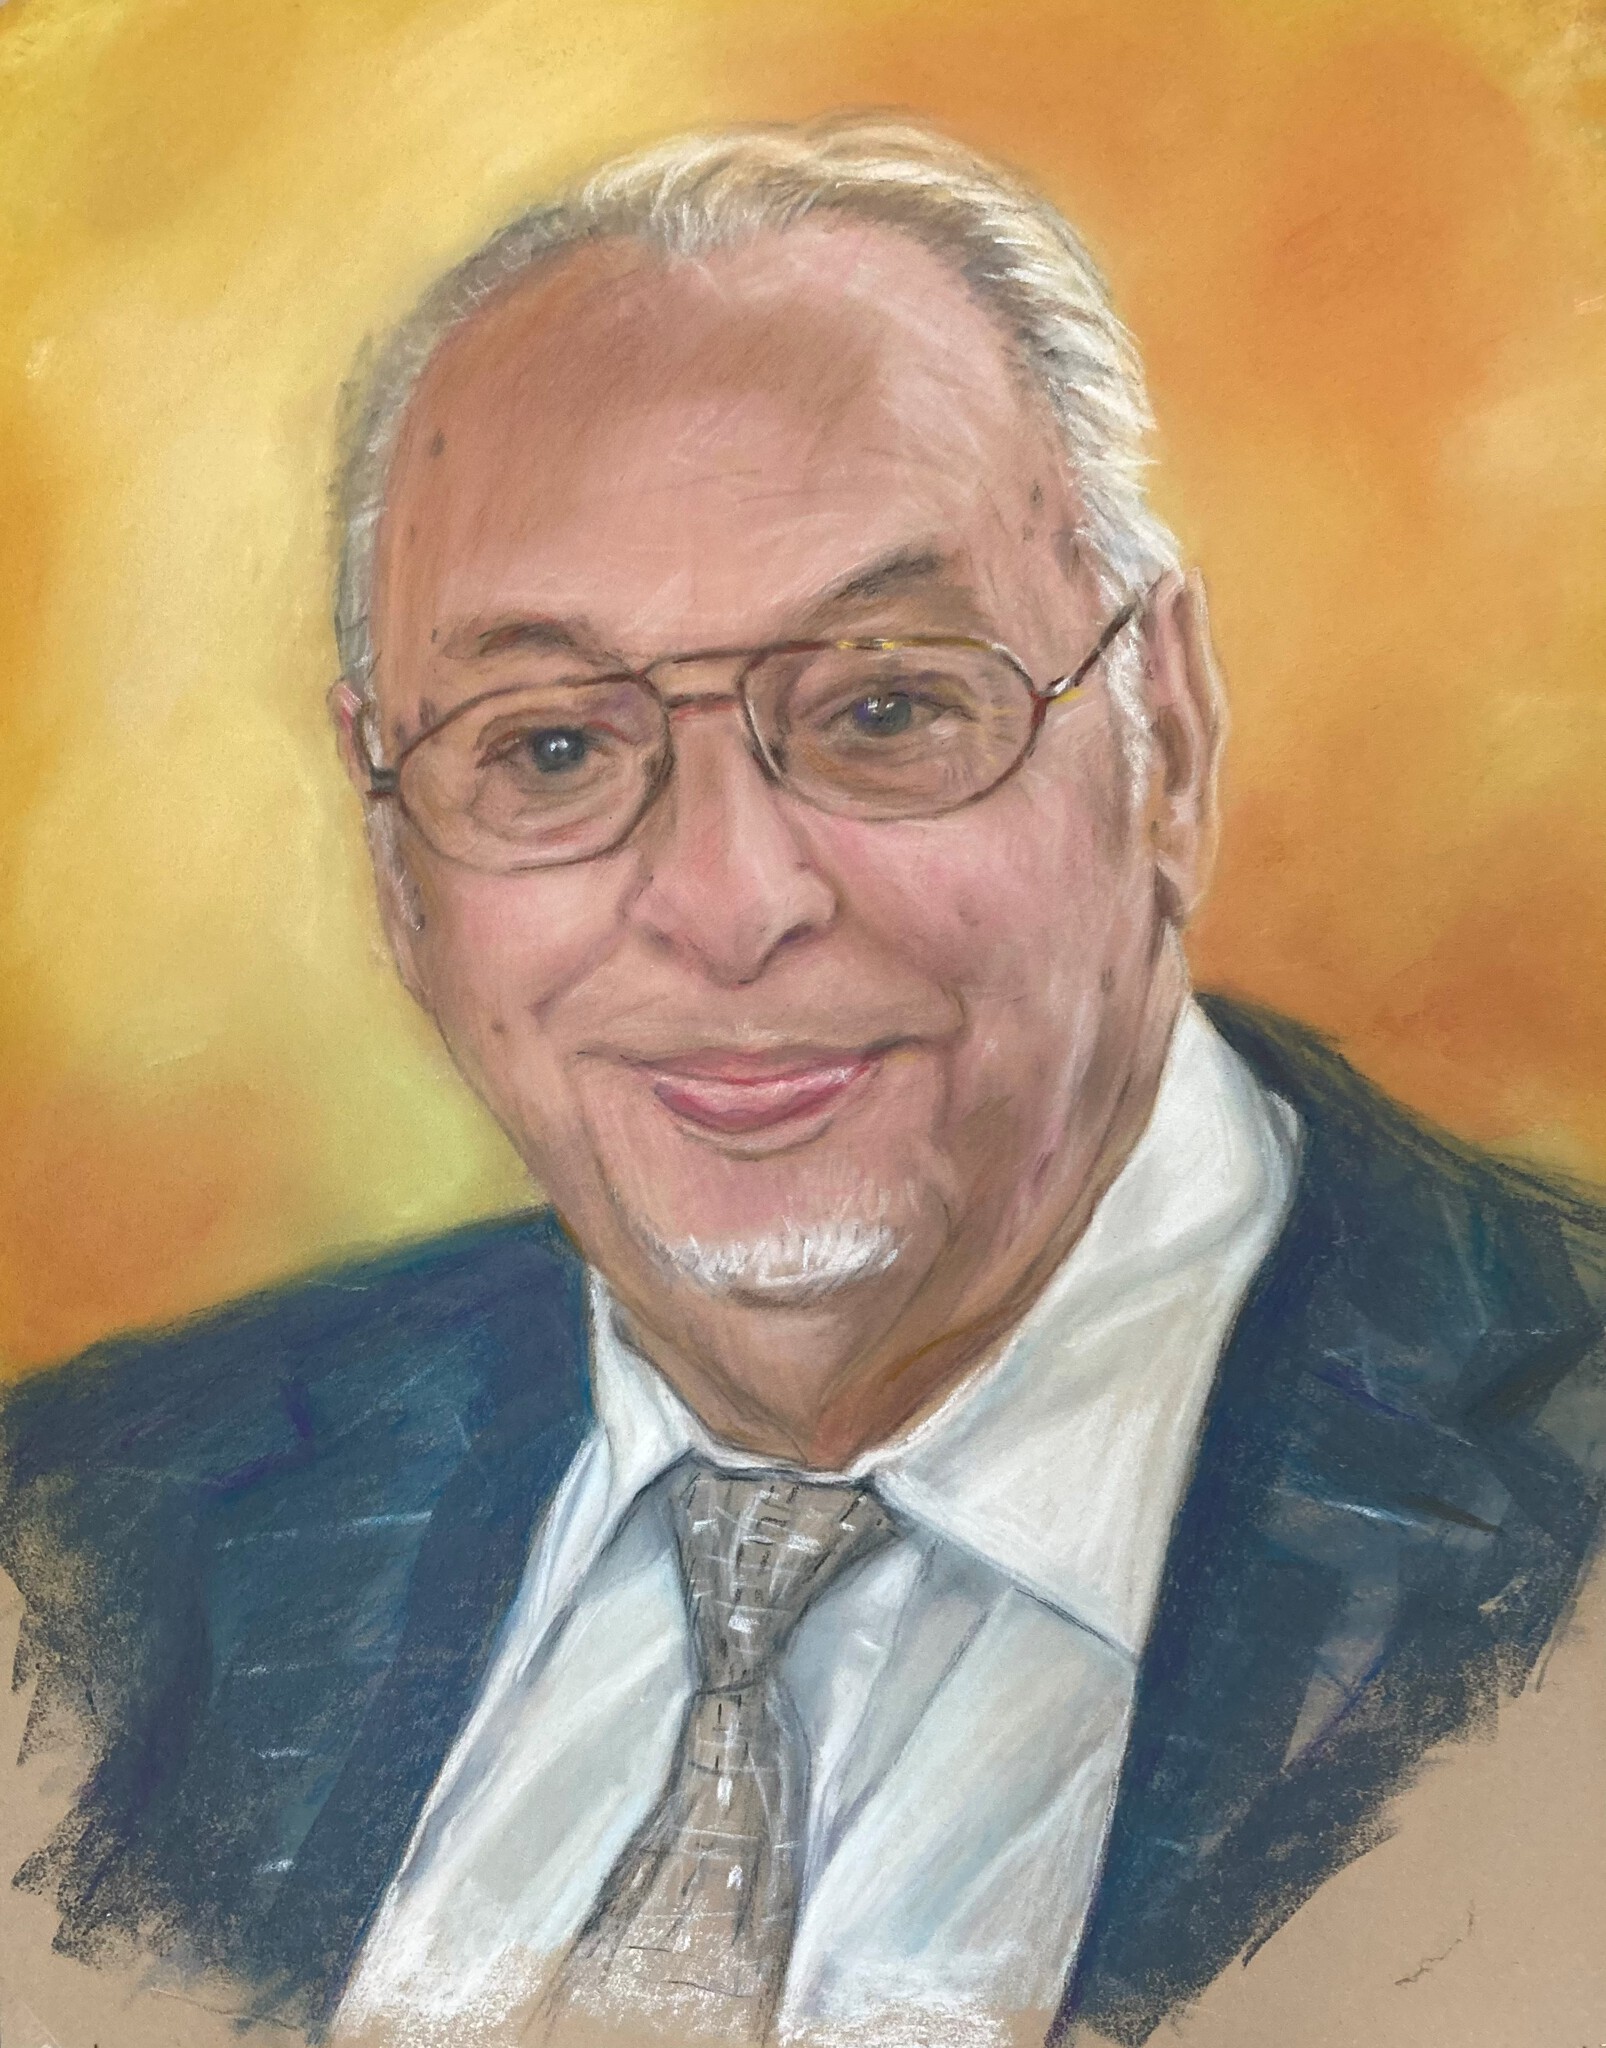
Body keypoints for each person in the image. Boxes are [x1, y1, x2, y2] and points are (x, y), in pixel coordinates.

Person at [2, 116, 1602, 2048]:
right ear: (392, 853)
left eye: (886, 707)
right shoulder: (81, 1561)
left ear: (1164, 739)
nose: (725, 901)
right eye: (549, 749)